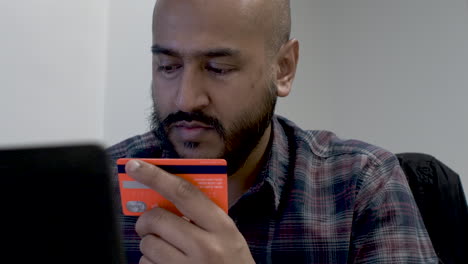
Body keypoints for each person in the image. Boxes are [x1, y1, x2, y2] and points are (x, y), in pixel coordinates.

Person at [107, 0, 438, 263]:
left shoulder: (362, 185)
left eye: (218, 68)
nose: (186, 98)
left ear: (284, 69)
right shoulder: (101, 186)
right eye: (168, 67)